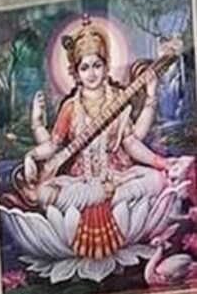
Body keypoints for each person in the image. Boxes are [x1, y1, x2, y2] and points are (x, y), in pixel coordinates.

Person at [20, 18, 168, 258]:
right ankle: (97, 197)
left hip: (116, 180)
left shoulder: (118, 99)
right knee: (44, 192)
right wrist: (33, 142)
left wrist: (151, 97)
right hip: (81, 183)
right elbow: (54, 146)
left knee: (157, 180)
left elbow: (132, 142)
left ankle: (100, 197)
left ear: (106, 66)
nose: (91, 73)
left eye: (97, 65)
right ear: (76, 72)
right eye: (85, 67)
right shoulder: (70, 107)